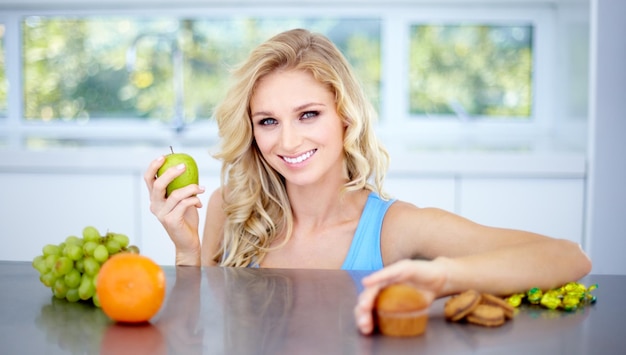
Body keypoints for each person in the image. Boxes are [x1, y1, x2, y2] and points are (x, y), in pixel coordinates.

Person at [144, 28, 592, 335]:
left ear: (345, 116)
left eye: (308, 114)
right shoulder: (233, 208)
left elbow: (567, 257)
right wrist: (188, 251)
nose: (288, 139)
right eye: (267, 121)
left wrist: (443, 276)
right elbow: (200, 334)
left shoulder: (397, 229)